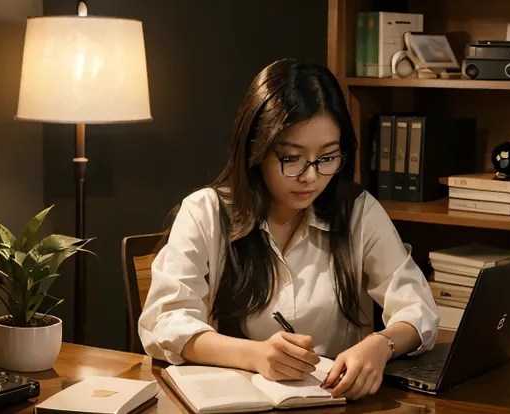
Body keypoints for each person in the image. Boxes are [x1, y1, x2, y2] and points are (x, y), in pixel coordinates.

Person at [138, 58, 440, 401]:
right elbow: (165, 323)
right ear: (256, 149)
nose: (310, 176)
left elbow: (418, 308)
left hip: (337, 403)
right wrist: (255, 355)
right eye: (292, 158)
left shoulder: (357, 211)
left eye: (327, 157)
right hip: (237, 404)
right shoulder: (206, 212)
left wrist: (380, 345)